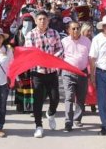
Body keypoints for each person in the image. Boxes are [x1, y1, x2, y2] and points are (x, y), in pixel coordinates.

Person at [24, 10, 63, 138]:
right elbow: (30, 51)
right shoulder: (31, 35)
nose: (42, 21)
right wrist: (43, 59)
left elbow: (60, 49)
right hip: (37, 72)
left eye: (44, 19)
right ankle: (38, 126)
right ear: (36, 21)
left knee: (55, 97)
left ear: (48, 20)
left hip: (51, 71)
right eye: (39, 19)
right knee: (38, 100)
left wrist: (52, 59)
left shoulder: (54, 33)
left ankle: (51, 113)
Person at [61, 21, 91, 132]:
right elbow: (58, 55)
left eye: (78, 28)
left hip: (82, 73)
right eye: (73, 28)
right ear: (68, 30)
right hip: (68, 73)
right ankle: (68, 122)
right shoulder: (64, 41)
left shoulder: (87, 41)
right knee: (69, 97)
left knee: (81, 98)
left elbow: (91, 57)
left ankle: (77, 119)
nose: (76, 30)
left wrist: (91, 73)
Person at [81, 22, 97, 112]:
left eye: (91, 31)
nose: (90, 33)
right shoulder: (80, 40)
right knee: (83, 87)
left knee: (92, 86)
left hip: (91, 65)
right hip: (83, 65)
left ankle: (92, 103)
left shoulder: (93, 40)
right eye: (88, 31)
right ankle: (82, 104)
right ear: (83, 31)